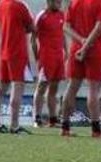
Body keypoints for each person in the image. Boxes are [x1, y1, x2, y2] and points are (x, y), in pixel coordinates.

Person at [61, 0, 101, 137]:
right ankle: (95, 130)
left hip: (75, 48)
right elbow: (99, 27)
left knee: (72, 87)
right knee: (93, 90)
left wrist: (81, 41)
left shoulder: (74, 2)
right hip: (93, 50)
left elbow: (66, 26)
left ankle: (65, 127)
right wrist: (86, 46)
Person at [0, 0, 35, 133]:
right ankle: (14, 125)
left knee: (0, 88)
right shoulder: (20, 5)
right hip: (17, 51)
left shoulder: (1, 5)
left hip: (4, 50)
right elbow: (32, 27)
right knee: (17, 87)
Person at [33, 0, 66, 128]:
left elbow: (62, 34)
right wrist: (37, 57)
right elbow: (33, 39)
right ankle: (37, 119)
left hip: (58, 57)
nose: (59, 2)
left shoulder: (61, 15)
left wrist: (66, 51)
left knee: (54, 88)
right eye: (57, 1)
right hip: (46, 57)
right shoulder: (41, 16)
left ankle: (53, 119)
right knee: (42, 87)